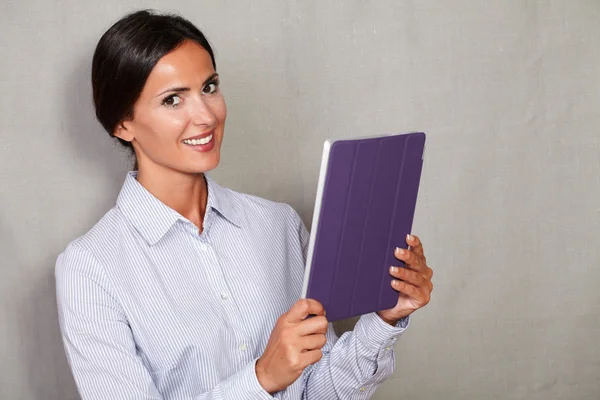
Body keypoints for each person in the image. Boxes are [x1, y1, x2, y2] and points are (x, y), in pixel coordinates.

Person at [55, 9, 434, 400]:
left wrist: (386, 319)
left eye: (209, 87)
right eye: (173, 100)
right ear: (122, 124)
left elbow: (319, 391)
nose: (205, 116)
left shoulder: (279, 224)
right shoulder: (90, 270)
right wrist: (261, 378)